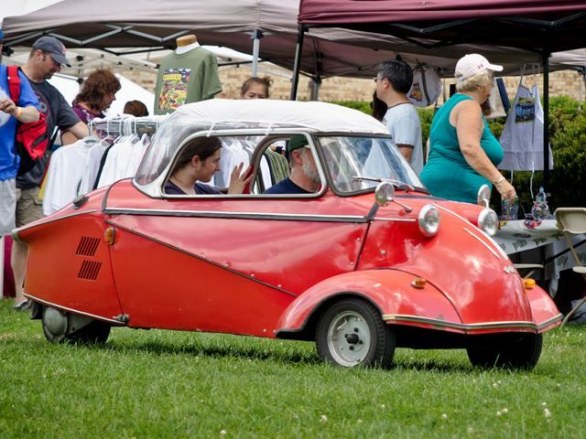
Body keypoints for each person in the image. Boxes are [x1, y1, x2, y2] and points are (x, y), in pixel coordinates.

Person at [11, 36, 89, 310]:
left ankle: (24, 296)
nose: (58, 68)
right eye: (55, 61)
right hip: (3, 174)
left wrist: (100, 142)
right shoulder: (9, 82)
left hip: (32, 178)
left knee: (30, 237)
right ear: (39, 55)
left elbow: (80, 129)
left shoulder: (54, 95)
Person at [419, 53, 516, 204]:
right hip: (454, 194)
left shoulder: (449, 105)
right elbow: (469, 148)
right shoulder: (469, 106)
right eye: (490, 79)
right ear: (479, 84)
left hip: (441, 189)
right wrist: (500, 182)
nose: (492, 84)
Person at [1, 32, 40, 308]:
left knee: (3, 234)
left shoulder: (12, 76)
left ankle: (14, 296)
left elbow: (34, 114)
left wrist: (15, 110)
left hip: (3, 170)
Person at [375, 60, 423, 174]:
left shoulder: (405, 114)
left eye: (376, 80)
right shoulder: (398, 110)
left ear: (385, 82)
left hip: (392, 189)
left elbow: (403, 157)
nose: (376, 84)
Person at [165, 136, 251, 195]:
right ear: (196, 161)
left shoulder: (203, 190)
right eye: (215, 161)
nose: (218, 168)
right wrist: (231, 198)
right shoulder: (168, 195)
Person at [61, 68, 121, 143]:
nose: (114, 98)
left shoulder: (103, 118)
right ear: (100, 92)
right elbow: (69, 148)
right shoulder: (75, 114)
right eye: (112, 93)